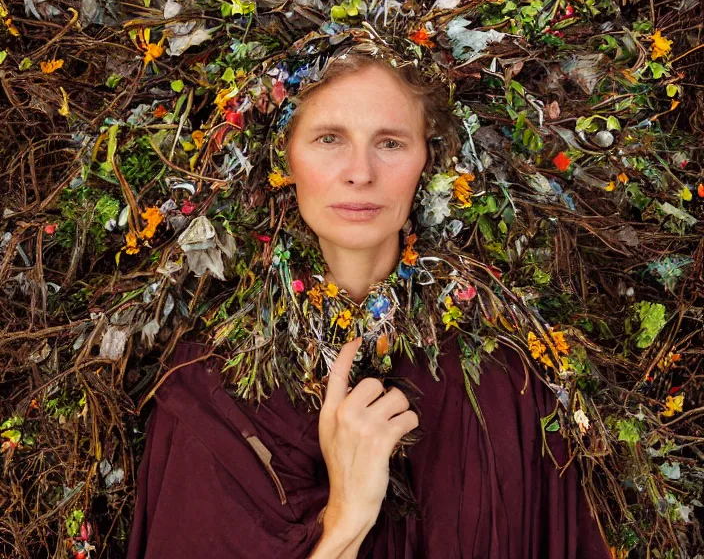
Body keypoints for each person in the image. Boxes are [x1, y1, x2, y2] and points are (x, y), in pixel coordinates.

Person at [126, 51, 612, 558]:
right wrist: (346, 518)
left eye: (390, 143)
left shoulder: (506, 377)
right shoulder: (207, 386)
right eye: (329, 138)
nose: (360, 173)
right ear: (283, 158)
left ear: (430, 159)